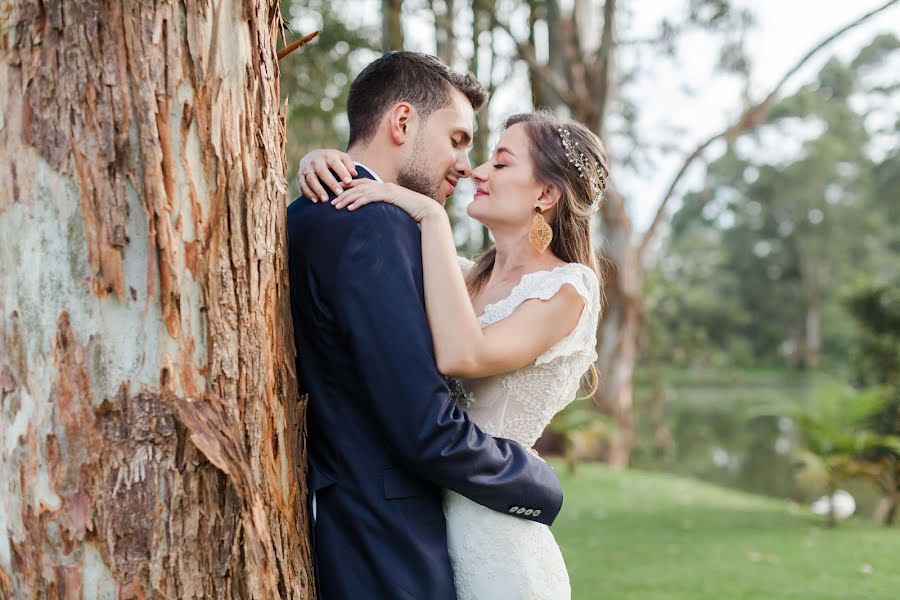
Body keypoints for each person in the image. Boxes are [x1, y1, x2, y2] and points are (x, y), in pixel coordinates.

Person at [286, 51, 565, 600]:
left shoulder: (309, 211)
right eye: (458, 139)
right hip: (386, 542)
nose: (467, 164)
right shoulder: (371, 226)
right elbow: (425, 426)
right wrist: (538, 483)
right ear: (403, 121)